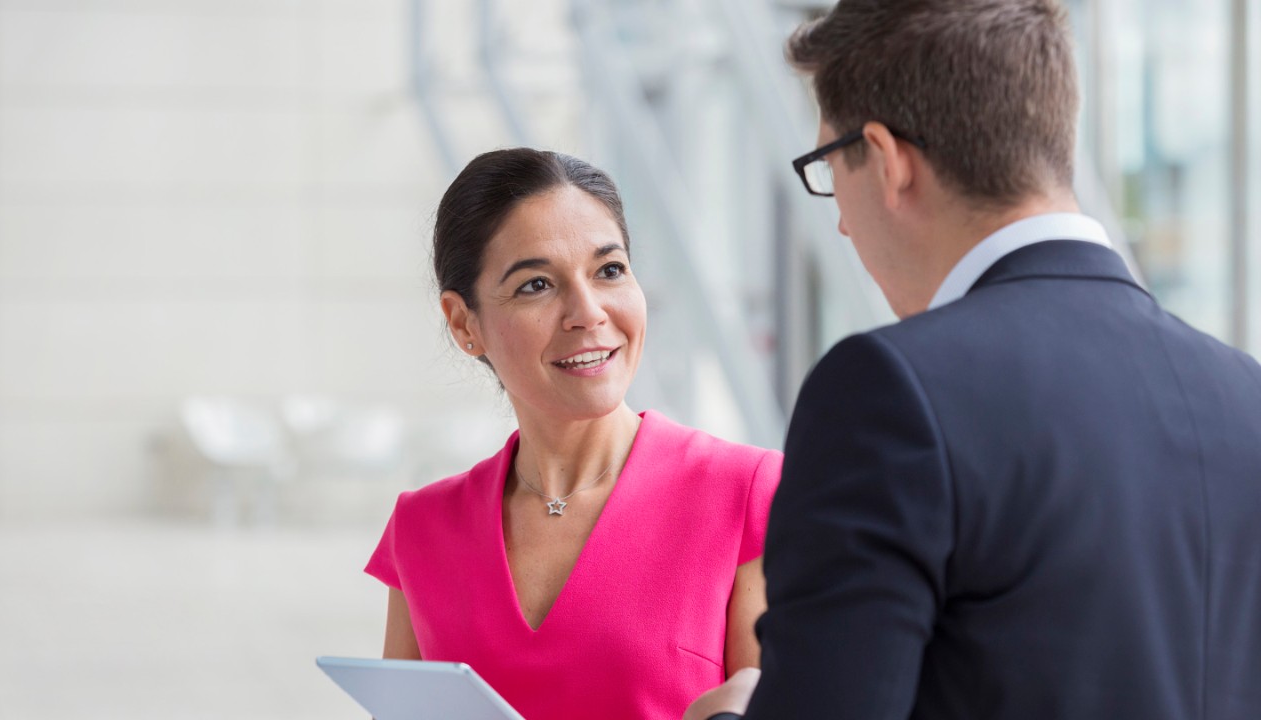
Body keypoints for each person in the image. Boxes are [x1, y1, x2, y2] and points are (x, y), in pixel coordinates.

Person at [685, 1, 1261, 719]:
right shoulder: (1244, 394)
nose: (837, 217)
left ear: (889, 161)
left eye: (828, 168)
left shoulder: (890, 394)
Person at [365, 148, 782, 720]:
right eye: (537, 285)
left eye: (609, 270)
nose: (587, 313)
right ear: (465, 324)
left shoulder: (748, 493)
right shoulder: (423, 529)